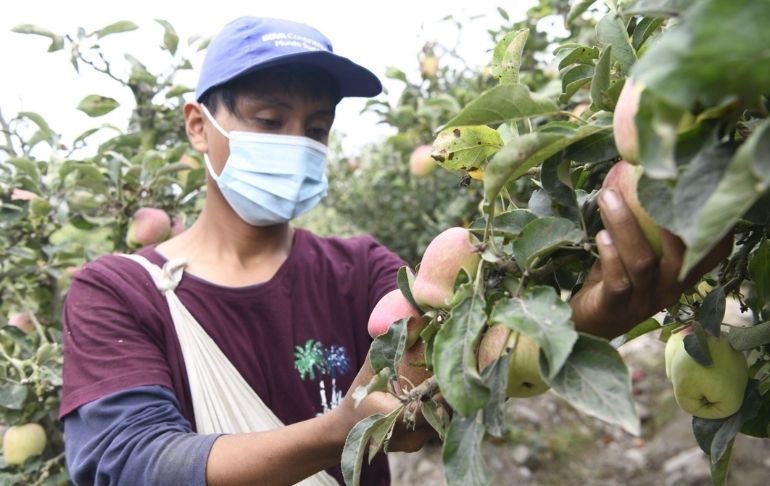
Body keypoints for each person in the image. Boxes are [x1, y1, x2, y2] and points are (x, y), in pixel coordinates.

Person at [59, 15, 729, 486]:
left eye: (316, 127)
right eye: (269, 121)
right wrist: (335, 430)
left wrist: (578, 324)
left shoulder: (361, 271)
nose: (297, 142)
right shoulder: (117, 290)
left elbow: (451, 362)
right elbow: (132, 464)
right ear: (198, 126)